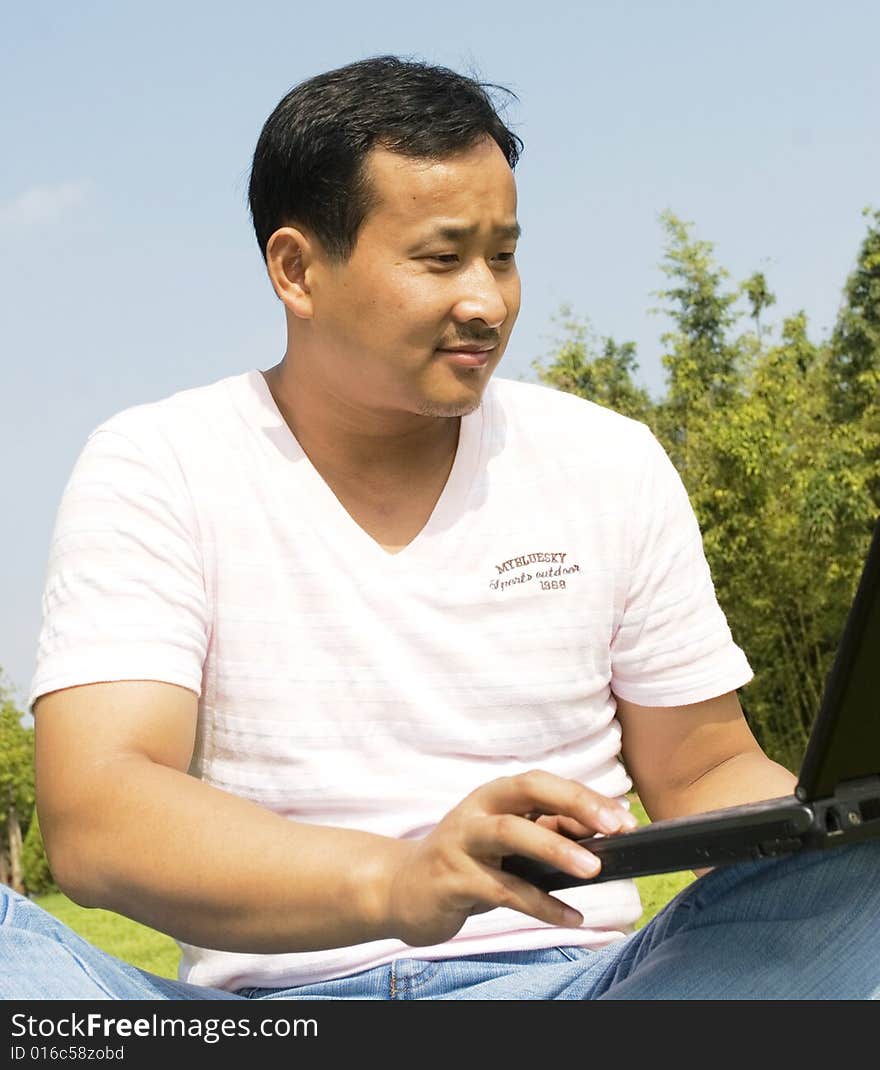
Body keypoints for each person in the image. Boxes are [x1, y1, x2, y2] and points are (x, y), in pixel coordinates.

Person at [3, 56, 878, 1001]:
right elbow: (101, 819)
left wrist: (830, 832)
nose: (487, 301)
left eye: (502, 254)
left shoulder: (606, 460)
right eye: (440, 257)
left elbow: (705, 765)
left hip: (590, 997)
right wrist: (399, 879)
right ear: (296, 269)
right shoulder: (159, 464)